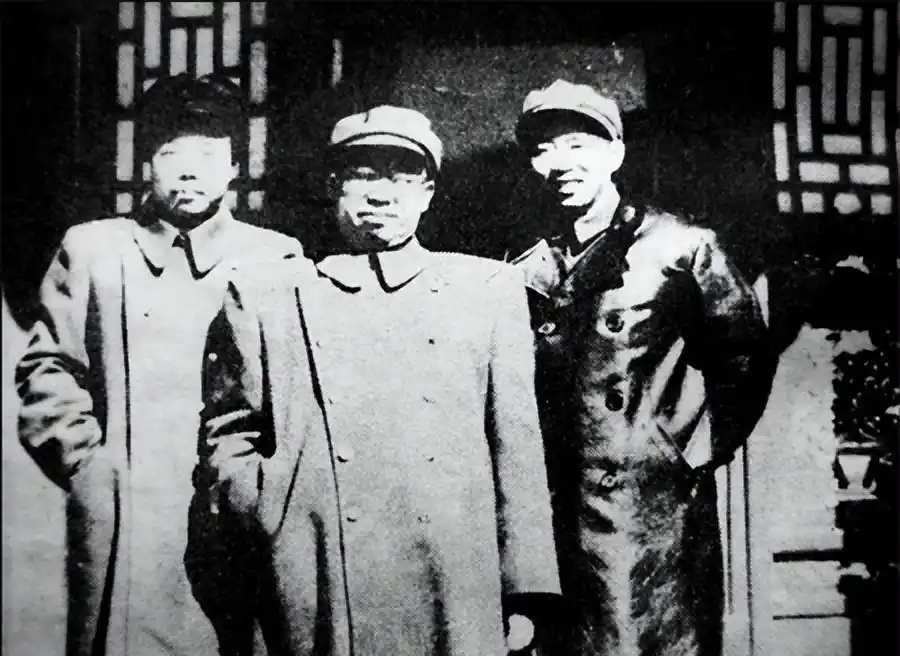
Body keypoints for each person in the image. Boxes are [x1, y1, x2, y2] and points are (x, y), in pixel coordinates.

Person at [192, 105, 561, 655]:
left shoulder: (486, 290)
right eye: (362, 175)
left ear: (428, 193)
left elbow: (518, 453)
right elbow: (229, 435)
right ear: (332, 187)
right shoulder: (269, 295)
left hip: (453, 578)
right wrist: (268, 513)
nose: (381, 194)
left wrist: (524, 591)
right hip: (315, 572)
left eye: (401, 177)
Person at [15, 73, 304, 656]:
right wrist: (91, 467)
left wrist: (257, 489)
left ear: (235, 166)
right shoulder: (94, 249)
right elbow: (47, 369)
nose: (190, 172)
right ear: (147, 163)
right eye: (172, 154)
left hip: (235, 515)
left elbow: (296, 397)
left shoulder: (276, 256)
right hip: (126, 518)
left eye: (208, 155)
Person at [508, 79, 775, 655]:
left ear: (615, 154)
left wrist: (684, 452)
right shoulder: (523, 262)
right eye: (544, 150)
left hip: (646, 509)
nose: (562, 164)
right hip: (556, 508)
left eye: (578, 145)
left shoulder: (680, 246)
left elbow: (745, 358)